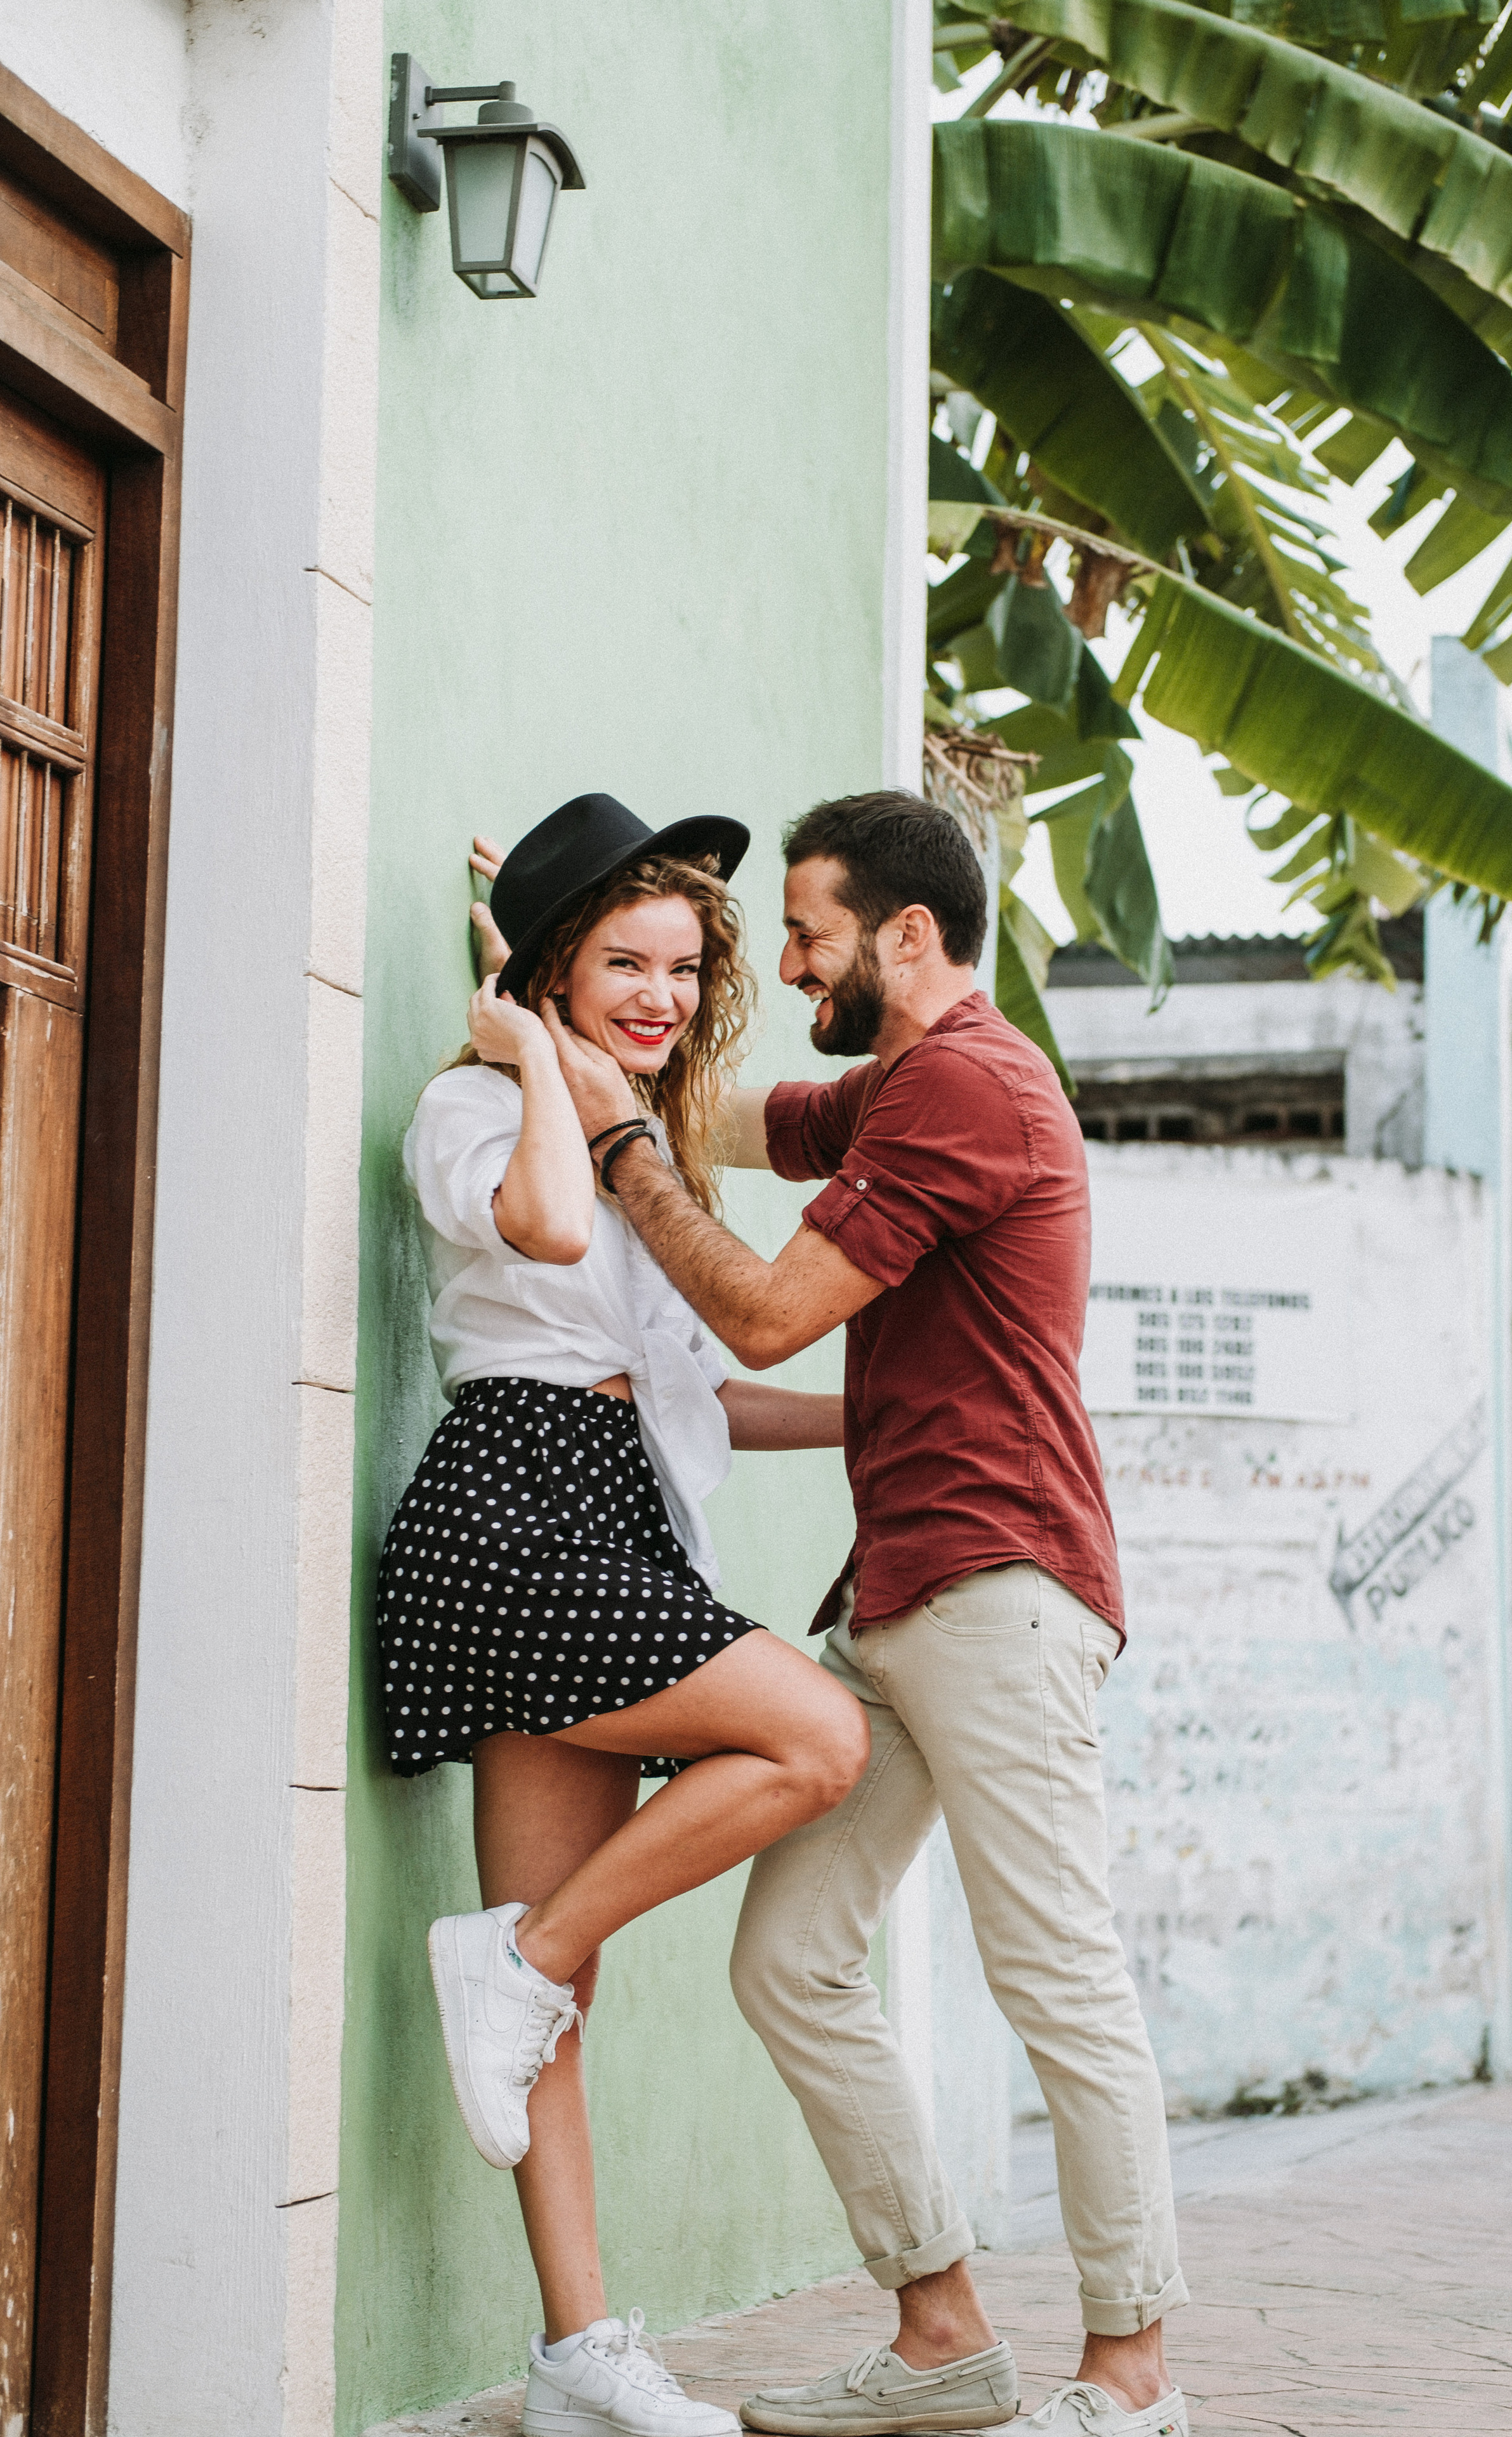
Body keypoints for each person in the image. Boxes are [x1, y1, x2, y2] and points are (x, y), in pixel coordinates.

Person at [510, 791, 1190, 2437]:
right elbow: (733, 1117)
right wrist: (559, 968)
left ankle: (1132, 2380)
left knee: (1056, 1976)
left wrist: (618, 1148)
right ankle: (944, 2337)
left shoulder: (968, 1086)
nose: (794, 963)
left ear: (907, 934)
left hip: (1003, 1588)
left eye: (812, 934)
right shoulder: (900, 1086)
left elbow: (760, 1315)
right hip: (899, 1599)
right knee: (794, 1960)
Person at [381, 791, 869, 2437]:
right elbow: (542, 1228)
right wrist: (531, 1055)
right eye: (622, 965)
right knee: (820, 1737)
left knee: (555, 2008)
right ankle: (514, 1959)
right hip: (513, 1509)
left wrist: (886, 1420)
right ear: (551, 975)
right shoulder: (472, 1109)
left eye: (682, 967)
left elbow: (697, 1393)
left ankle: (577, 2355)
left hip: (615, 1515)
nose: (662, 997)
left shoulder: (636, 1139)